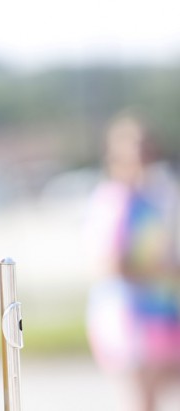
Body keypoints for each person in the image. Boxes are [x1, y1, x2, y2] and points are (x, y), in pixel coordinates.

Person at [83, 111, 180, 411]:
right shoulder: (112, 200)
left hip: (163, 309)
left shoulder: (160, 195)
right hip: (127, 315)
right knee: (143, 399)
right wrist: (160, 268)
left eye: (146, 151)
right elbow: (111, 263)